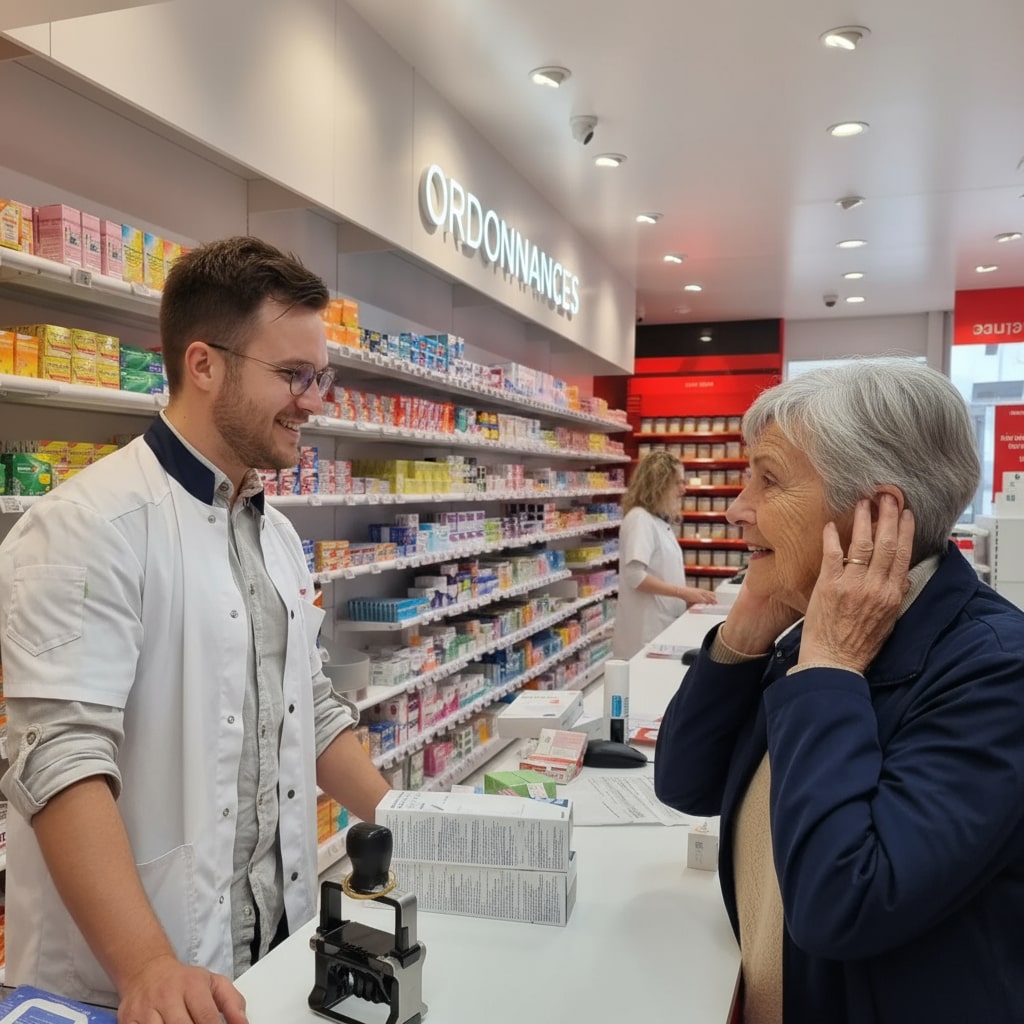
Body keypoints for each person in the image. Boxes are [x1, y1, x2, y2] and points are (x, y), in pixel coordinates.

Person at [0, 236, 391, 1022]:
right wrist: (147, 965)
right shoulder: (88, 525)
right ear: (204, 365)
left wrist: (410, 821)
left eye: (321, 377)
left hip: (267, 951)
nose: (314, 400)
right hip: (124, 986)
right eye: (294, 374)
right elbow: (60, 758)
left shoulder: (276, 535)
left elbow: (308, 710)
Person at [653, 360, 1024, 1023]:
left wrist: (830, 666)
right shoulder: (814, 626)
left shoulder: (997, 672)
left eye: (769, 479)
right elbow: (685, 783)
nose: (738, 508)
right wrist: (747, 629)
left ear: (877, 512)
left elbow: (844, 904)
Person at [613, 449, 717, 659]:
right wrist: (683, 593)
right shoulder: (639, 519)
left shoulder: (657, 522)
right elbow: (635, 576)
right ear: (658, 485)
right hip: (645, 630)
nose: (683, 489)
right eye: (678, 483)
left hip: (661, 624)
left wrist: (686, 596)